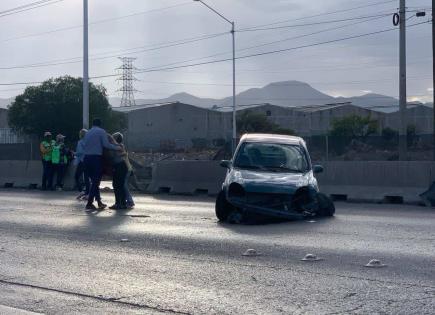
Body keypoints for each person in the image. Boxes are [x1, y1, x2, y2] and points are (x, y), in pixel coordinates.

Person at [83, 118, 121, 211]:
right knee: (96, 182)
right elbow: (106, 145)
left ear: (93, 124)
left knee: (93, 183)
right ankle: (89, 203)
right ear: (100, 124)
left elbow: (85, 145)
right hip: (95, 159)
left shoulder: (87, 133)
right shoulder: (101, 131)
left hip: (86, 159)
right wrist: (117, 148)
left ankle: (99, 202)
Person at [108, 133, 129, 210]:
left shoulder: (116, 147)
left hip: (119, 166)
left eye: (113, 138)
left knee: (116, 185)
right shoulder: (121, 145)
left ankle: (118, 203)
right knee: (121, 185)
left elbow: (112, 156)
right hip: (123, 166)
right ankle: (123, 203)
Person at [74, 129, 90, 200]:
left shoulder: (80, 142)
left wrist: (74, 153)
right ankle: (87, 193)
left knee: (77, 176)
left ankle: (81, 191)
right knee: (87, 177)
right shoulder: (89, 142)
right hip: (88, 160)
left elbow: (80, 152)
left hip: (82, 161)